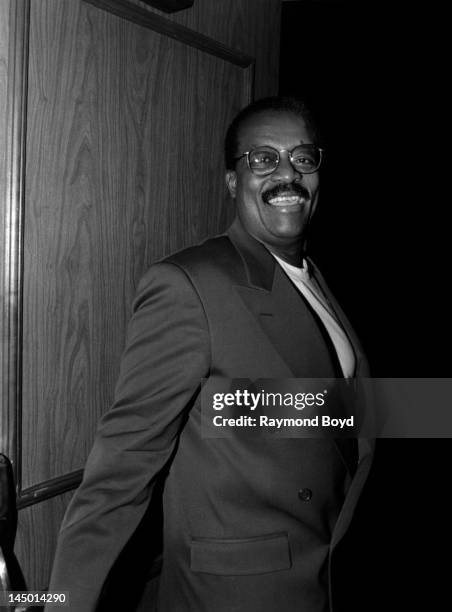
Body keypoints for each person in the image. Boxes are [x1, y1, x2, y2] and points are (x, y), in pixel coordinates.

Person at [47, 96, 374, 612]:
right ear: (231, 180)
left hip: (320, 573)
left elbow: (325, 409)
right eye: (263, 159)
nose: (287, 174)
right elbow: (121, 469)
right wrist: (61, 602)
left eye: (302, 158)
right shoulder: (190, 284)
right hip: (236, 592)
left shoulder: (310, 276)